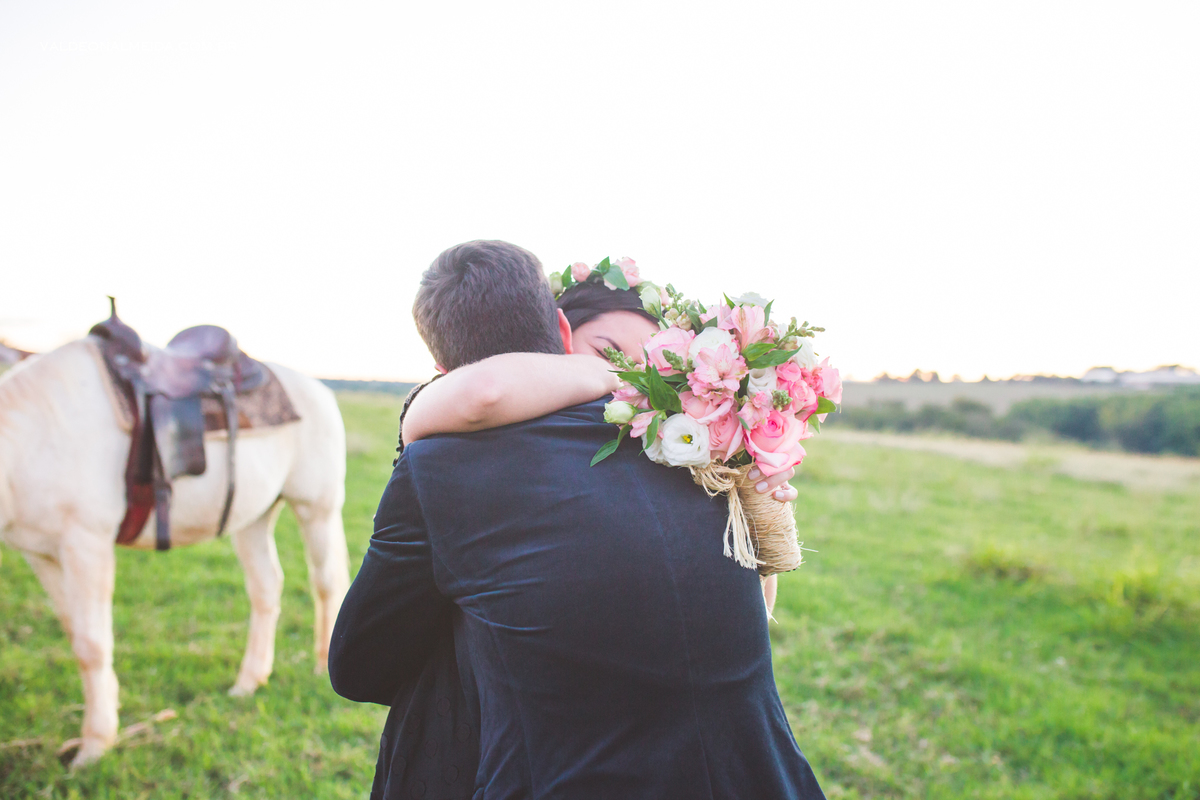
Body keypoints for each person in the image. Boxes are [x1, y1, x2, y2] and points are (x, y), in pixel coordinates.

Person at [329, 240, 825, 799]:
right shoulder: (690, 445)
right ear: (564, 334)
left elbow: (359, 670)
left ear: (442, 374)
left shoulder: (440, 465)